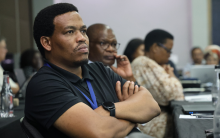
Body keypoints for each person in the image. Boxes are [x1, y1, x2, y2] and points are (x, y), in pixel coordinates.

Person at [25, 3, 160, 138]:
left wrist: (108, 110)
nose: (82, 38)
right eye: (70, 32)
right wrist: (133, 115)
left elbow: (152, 106)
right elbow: (101, 133)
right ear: (47, 43)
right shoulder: (44, 84)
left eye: (83, 31)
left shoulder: (100, 69)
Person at [131, 29, 184, 138]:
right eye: (168, 50)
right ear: (155, 47)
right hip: (149, 123)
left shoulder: (152, 64)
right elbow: (174, 94)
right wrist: (172, 77)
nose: (169, 55)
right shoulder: (144, 63)